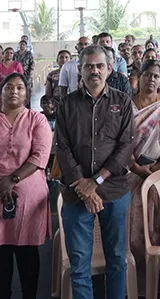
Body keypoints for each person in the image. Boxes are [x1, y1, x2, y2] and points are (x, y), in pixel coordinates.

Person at [55, 46, 134, 299]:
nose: (94, 71)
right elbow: (62, 147)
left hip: (114, 190)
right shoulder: (67, 104)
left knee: (117, 259)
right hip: (76, 193)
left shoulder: (122, 101)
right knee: (79, 265)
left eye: (100, 66)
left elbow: (126, 146)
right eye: (89, 66)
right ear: (80, 70)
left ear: (110, 69)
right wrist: (82, 184)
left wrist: (97, 181)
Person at [0, 73, 52, 299]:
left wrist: (12, 180)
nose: (14, 91)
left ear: (26, 93)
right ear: (1, 92)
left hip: (28, 196)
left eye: (19, 88)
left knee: (28, 252)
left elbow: (40, 155)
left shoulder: (37, 120)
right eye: (9, 87)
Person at [129, 59, 160, 290]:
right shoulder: (126, 105)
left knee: (159, 225)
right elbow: (117, 141)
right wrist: (135, 167)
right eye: (147, 75)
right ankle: (137, 282)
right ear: (139, 77)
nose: (151, 79)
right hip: (130, 173)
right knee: (134, 229)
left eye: (156, 76)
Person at [0, 47, 23, 112]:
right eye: (7, 53)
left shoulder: (17, 64)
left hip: (13, 89)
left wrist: (11, 86)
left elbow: (20, 77)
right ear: (3, 54)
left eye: (11, 53)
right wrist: (2, 86)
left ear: (13, 55)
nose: (9, 54)